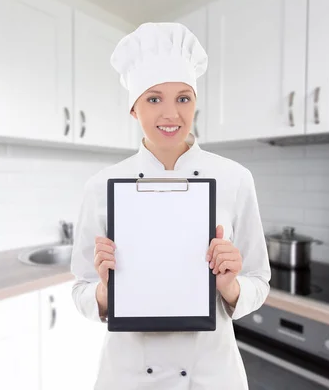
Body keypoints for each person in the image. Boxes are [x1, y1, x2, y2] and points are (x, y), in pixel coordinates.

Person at [71, 22, 271, 390]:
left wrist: (230, 286)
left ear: (195, 103)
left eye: (183, 98)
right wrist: (104, 290)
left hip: (211, 375)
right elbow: (80, 288)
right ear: (133, 108)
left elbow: (259, 281)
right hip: (128, 377)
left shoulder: (235, 178)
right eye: (153, 98)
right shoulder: (101, 187)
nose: (170, 114)